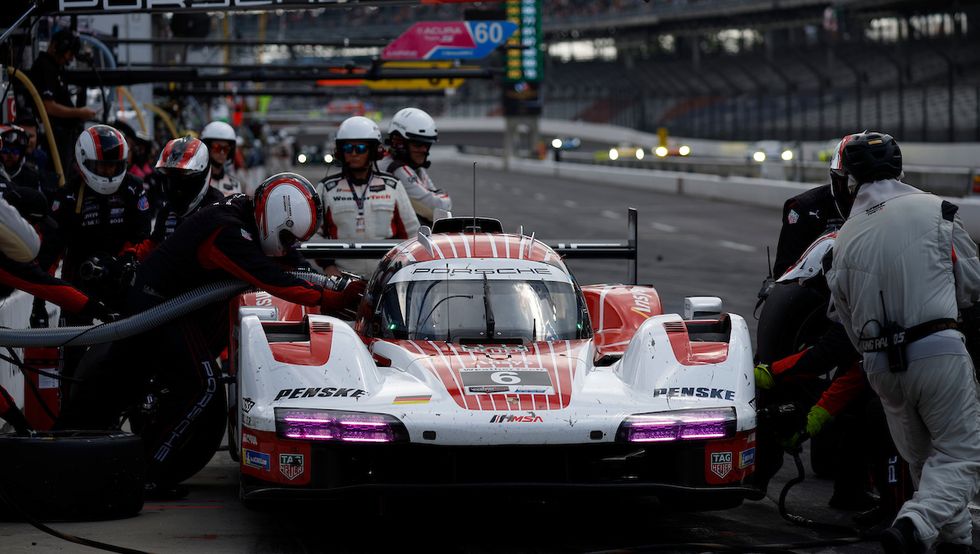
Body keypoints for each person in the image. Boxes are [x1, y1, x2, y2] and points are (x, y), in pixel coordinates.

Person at [58, 173, 364, 496]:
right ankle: (144, 472)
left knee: (174, 381)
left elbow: (292, 263)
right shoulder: (227, 230)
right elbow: (271, 277)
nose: (290, 245)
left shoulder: (246, 213)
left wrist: (326, 282)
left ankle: (128, 459)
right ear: (278, 218)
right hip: (159, 307)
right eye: (288, 237)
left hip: (172, 307)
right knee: (204, 386)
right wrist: (324, 296)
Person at [826, 132, 980, 554]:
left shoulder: (844, 239)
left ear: (849, 181)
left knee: (927, 465)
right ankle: (915, 522)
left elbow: (844, 317)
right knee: (962, 454)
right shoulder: (939, 211)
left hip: (880, 367)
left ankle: (956, 543)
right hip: (938, 350)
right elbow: (972, 286)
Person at [41, 124, 151, 311]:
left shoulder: (134, 188)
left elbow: (144, 235)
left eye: (114, 165)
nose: (109, 172)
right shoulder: (68, 194)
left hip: (123, 282)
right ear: (85, 161)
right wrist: (39, 302)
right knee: (75, 336)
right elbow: (51, 250)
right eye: (103, 166)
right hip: (78, 288)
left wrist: (123, 262)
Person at [316, 116, 419, 276]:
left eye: (361, 148)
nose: (354, 153)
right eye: (349, 148)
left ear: (373, 151)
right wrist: (328, 266)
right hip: (342, 279)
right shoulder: (325, 188)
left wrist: (400, 268)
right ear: (340, 152)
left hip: (386, 277)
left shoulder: (393, 185)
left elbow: (413, 233)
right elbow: (315, 234)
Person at [126, 136, 223, 261]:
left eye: (183, 178)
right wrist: (129, 257)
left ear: (200, 176)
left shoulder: (217, 208)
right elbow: (153, 245)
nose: (177, 186)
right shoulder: (167, 211)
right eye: (171, 177)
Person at [28, 29, 96, 177]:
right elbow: (48, 107)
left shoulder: (55, 69)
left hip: (62, 140)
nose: (70, 59)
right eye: (69, 53)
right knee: (57, 179)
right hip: (52, 141)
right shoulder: (45, 67)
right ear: (58, 47)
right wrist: (79, 112)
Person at [385, 107, 451, 226]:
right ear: (399, 142)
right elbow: (439, 208)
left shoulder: (416, 167)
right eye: (418, 144)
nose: (424, 150)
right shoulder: (397, 168)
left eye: (427, 145)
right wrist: (441, 197)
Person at [200, 121, 242, 196]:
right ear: (207, 148)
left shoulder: (234, 185)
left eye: (226, 149)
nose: (222, 153)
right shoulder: (198, 182)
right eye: (217, 148)